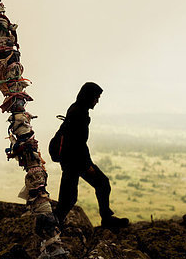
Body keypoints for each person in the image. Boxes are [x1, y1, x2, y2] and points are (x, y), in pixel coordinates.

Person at [53, 82, 129, 228]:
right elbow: (77, 143)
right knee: (96, 186)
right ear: (89, 97)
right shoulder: (78, 113)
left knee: (73, 195)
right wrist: (87, 165)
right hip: (74, 161)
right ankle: (55, 224)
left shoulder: (78, 110)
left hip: (73, 160)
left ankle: (57, 222)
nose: (97, 101)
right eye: (96, 97)